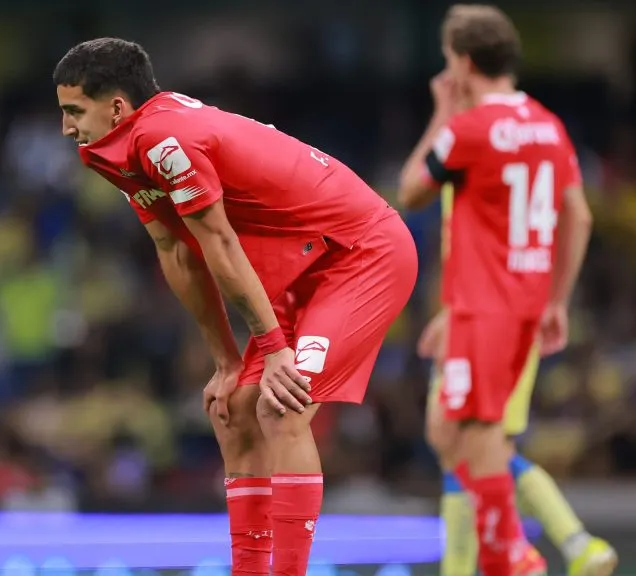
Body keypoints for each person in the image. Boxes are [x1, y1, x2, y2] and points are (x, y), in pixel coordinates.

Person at [53, 38, 417, 576]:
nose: (66, 128)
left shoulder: (161, 140)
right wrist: (225, 362)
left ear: (116, 107)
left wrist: (271, 350)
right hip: (304, 267)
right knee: (236, 411)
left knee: (279, 404)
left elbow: (217, 244)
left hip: (359, 254)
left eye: (73, 112)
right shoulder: (112, 149)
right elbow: (176, 248)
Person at [397, 5, 616, 576]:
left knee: (478, 427)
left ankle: (508, 555)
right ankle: (515, 550)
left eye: (449, 61)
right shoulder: (548, 125)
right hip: (518, 302)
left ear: (464, 63)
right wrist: (558, 301)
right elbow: (581, 218)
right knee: (447, 428)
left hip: (484, 306)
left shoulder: (470, 130)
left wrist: (443, 112)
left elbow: (412, 190)